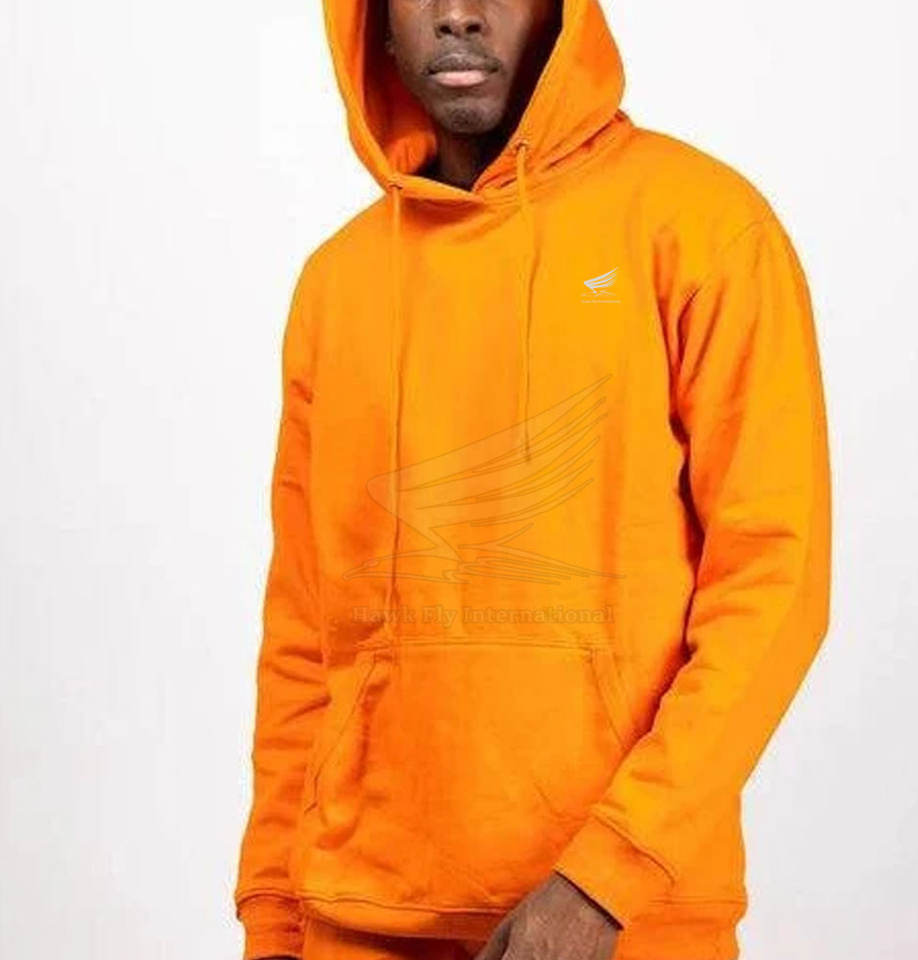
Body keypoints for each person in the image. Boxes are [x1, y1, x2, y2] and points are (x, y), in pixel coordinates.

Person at [233, 0, 833, 958]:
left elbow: (774, 588)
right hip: (354, 917)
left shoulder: (701, 227)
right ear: (373, 21)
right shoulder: (336, 284)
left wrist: (603, 882)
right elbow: (304, 635)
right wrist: (272, 916)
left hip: (629, 924)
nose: (458, 15)